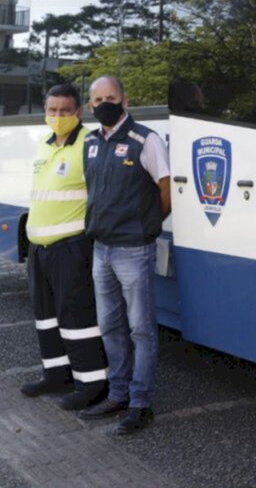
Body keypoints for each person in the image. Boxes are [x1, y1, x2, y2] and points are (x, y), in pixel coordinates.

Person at [78, 75, 171, 435]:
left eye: (111, 97)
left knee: (141, 330)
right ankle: (117, 394)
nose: (105, 104)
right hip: (101, 249)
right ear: (91, 106)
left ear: (125, 100)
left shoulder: (144, 140)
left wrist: (148, 224)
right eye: (98, 99)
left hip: (134, 249)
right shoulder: (90, 142)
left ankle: (140, 403)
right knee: (111, 327)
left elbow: (166, 189)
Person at [21, 83, 109, 411]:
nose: (58, 117)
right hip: (39, 248)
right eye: (52, 110)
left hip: (71, 247)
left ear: (78, 112)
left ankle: (92, 383)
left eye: (65, 111)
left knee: (77, 317)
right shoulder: (44, 145)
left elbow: (102, 195)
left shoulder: (89, 144)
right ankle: (56, 374)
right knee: (46, 317)